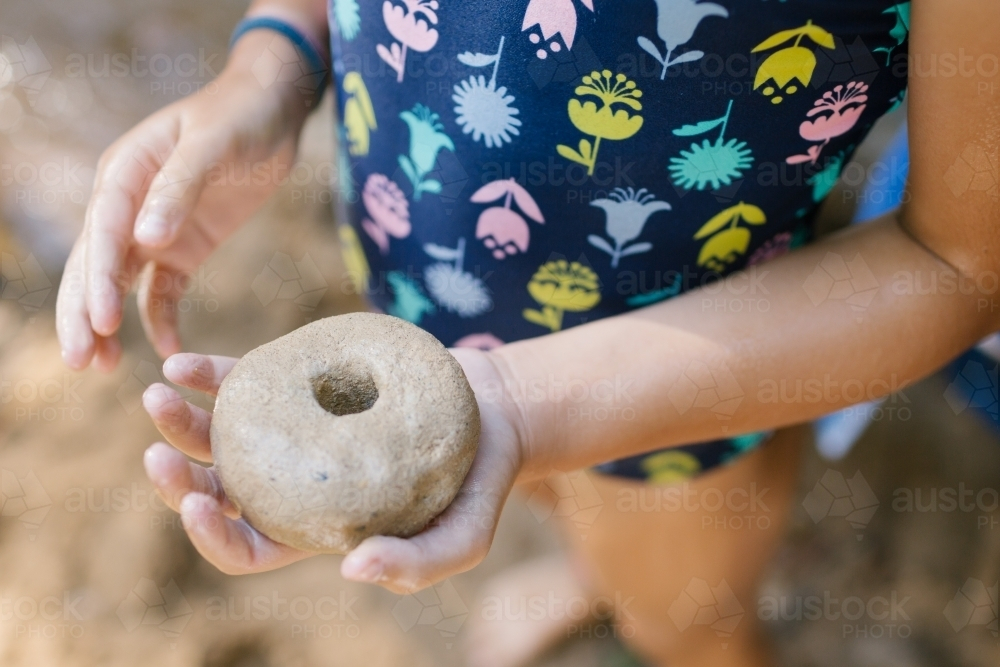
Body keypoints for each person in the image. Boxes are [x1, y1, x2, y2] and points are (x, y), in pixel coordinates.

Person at [56, 0, 999, 665]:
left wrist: (521, 405)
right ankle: (589, 567)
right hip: (417, 263)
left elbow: (958, 261)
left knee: (684, 626)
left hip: (690, 380)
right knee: (548, 493)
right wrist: (271, 63)